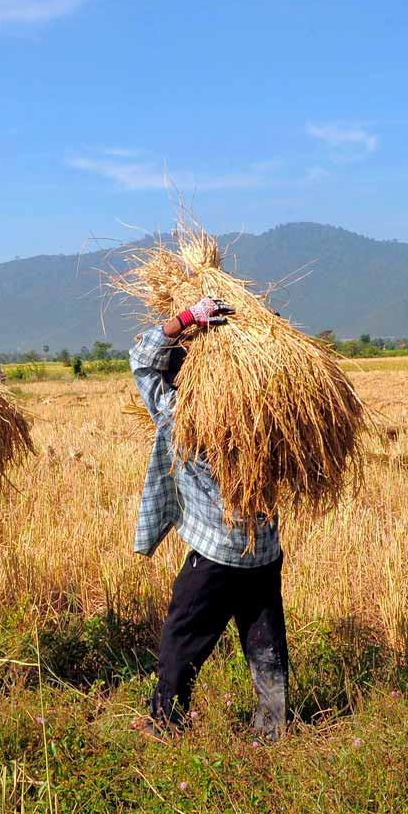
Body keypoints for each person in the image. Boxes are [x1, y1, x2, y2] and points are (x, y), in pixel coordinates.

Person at [130, 296, 290, 740]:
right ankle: (273, 731)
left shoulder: (184, 415)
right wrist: (261, 326)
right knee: (265, 640)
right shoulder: (271, 415)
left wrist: (184, 321)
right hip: (263, 550)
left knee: (182, 638)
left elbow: (142, 362)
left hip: (215, 555)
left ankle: (165, 724)